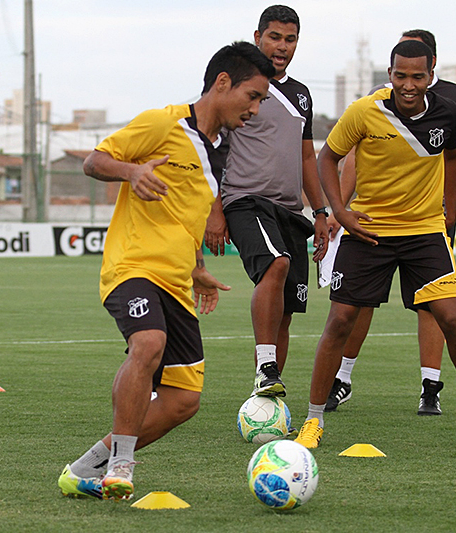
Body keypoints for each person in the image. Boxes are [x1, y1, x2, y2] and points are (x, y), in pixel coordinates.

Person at [57, 41, 275, 501]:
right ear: (222, 83)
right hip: (132, 265)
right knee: (149, 343)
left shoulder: (220, 148)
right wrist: (132, 172)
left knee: (182, 401)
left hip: (177, 281)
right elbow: (94, 162)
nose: (255, 109)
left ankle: (83, 469)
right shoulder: (163, 122)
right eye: (253, 96)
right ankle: (121, 464)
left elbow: (187, 214)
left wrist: (197, 269)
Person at [294, 39, 456, 451]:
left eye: (417, 77)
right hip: (369, 230)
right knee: (340, 320)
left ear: (430, 75)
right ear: (389, 74)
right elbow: (327, 158)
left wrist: (450, 214)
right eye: (400, 76)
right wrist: (340, 212)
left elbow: (454, 159)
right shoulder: (364, 111)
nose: (408, 85)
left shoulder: (447, 112)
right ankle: (313, 420)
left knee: (451, 318)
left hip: (424, 232)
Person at [204, 5, 329, 398]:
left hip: (290, 210)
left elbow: (307, 157)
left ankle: (266, 396)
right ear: (258, 37)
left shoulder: (301, 95)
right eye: (274, 37)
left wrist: (320, 211)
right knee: (276, 263)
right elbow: (211, 149)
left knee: (286, 312)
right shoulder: (239, 87)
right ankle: (266, 367)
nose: (282, 46)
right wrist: (215, 210)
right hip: (245, 200)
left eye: (290, 39)